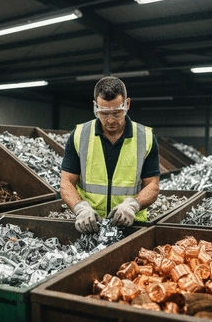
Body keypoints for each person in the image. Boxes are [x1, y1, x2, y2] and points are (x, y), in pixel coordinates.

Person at [60, 75, 160, 233]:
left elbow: (152, 185)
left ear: (127, 104)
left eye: (117, 112)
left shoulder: (145, 137)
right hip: (91, 225)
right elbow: (66, 182)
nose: (111, 120)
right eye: (104, 113)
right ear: (95, 107)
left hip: (131, 226)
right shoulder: (80, 135)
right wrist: (80, 208)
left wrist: (133, 205)